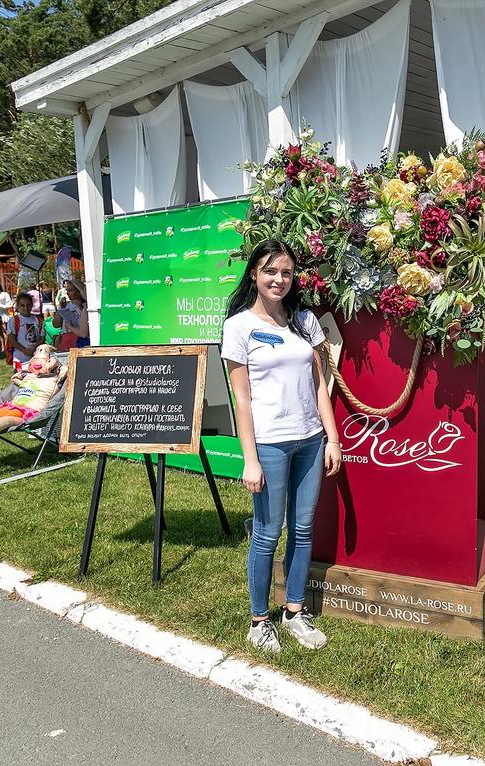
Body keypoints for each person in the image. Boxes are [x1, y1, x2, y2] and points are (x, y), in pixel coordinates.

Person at [221, 239, 341, 653]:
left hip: (309, 440)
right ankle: (259, 620)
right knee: (268, 533)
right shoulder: (238, 327)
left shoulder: (304, 320)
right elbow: (242, 399)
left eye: (286, 272)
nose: (279, 279)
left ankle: (293, 611)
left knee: (303, 529)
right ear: (254, 274)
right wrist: (249, 459)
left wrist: (332, 437)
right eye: (270, 271)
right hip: (269, 445)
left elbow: (320, 385)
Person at [6, 293, 44, 372]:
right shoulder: (14, 320)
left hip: (35, 357)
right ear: (18, 306)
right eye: (22, 305)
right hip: (20, 358)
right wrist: (24, 350)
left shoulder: (37, 319)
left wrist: (34, 348)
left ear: (32, 305)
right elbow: (12, 339)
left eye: (28, 305)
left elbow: (42, 337)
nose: (26, 308)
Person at [52, 278, 89, 349]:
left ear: (79, 291)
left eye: (71, 290)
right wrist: (60, 310)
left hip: (81, 339)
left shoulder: (86, 306)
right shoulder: (66, 305)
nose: (67, 293)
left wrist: (80, 307)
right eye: (67, 290)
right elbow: (55, 325)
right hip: (67, 338)